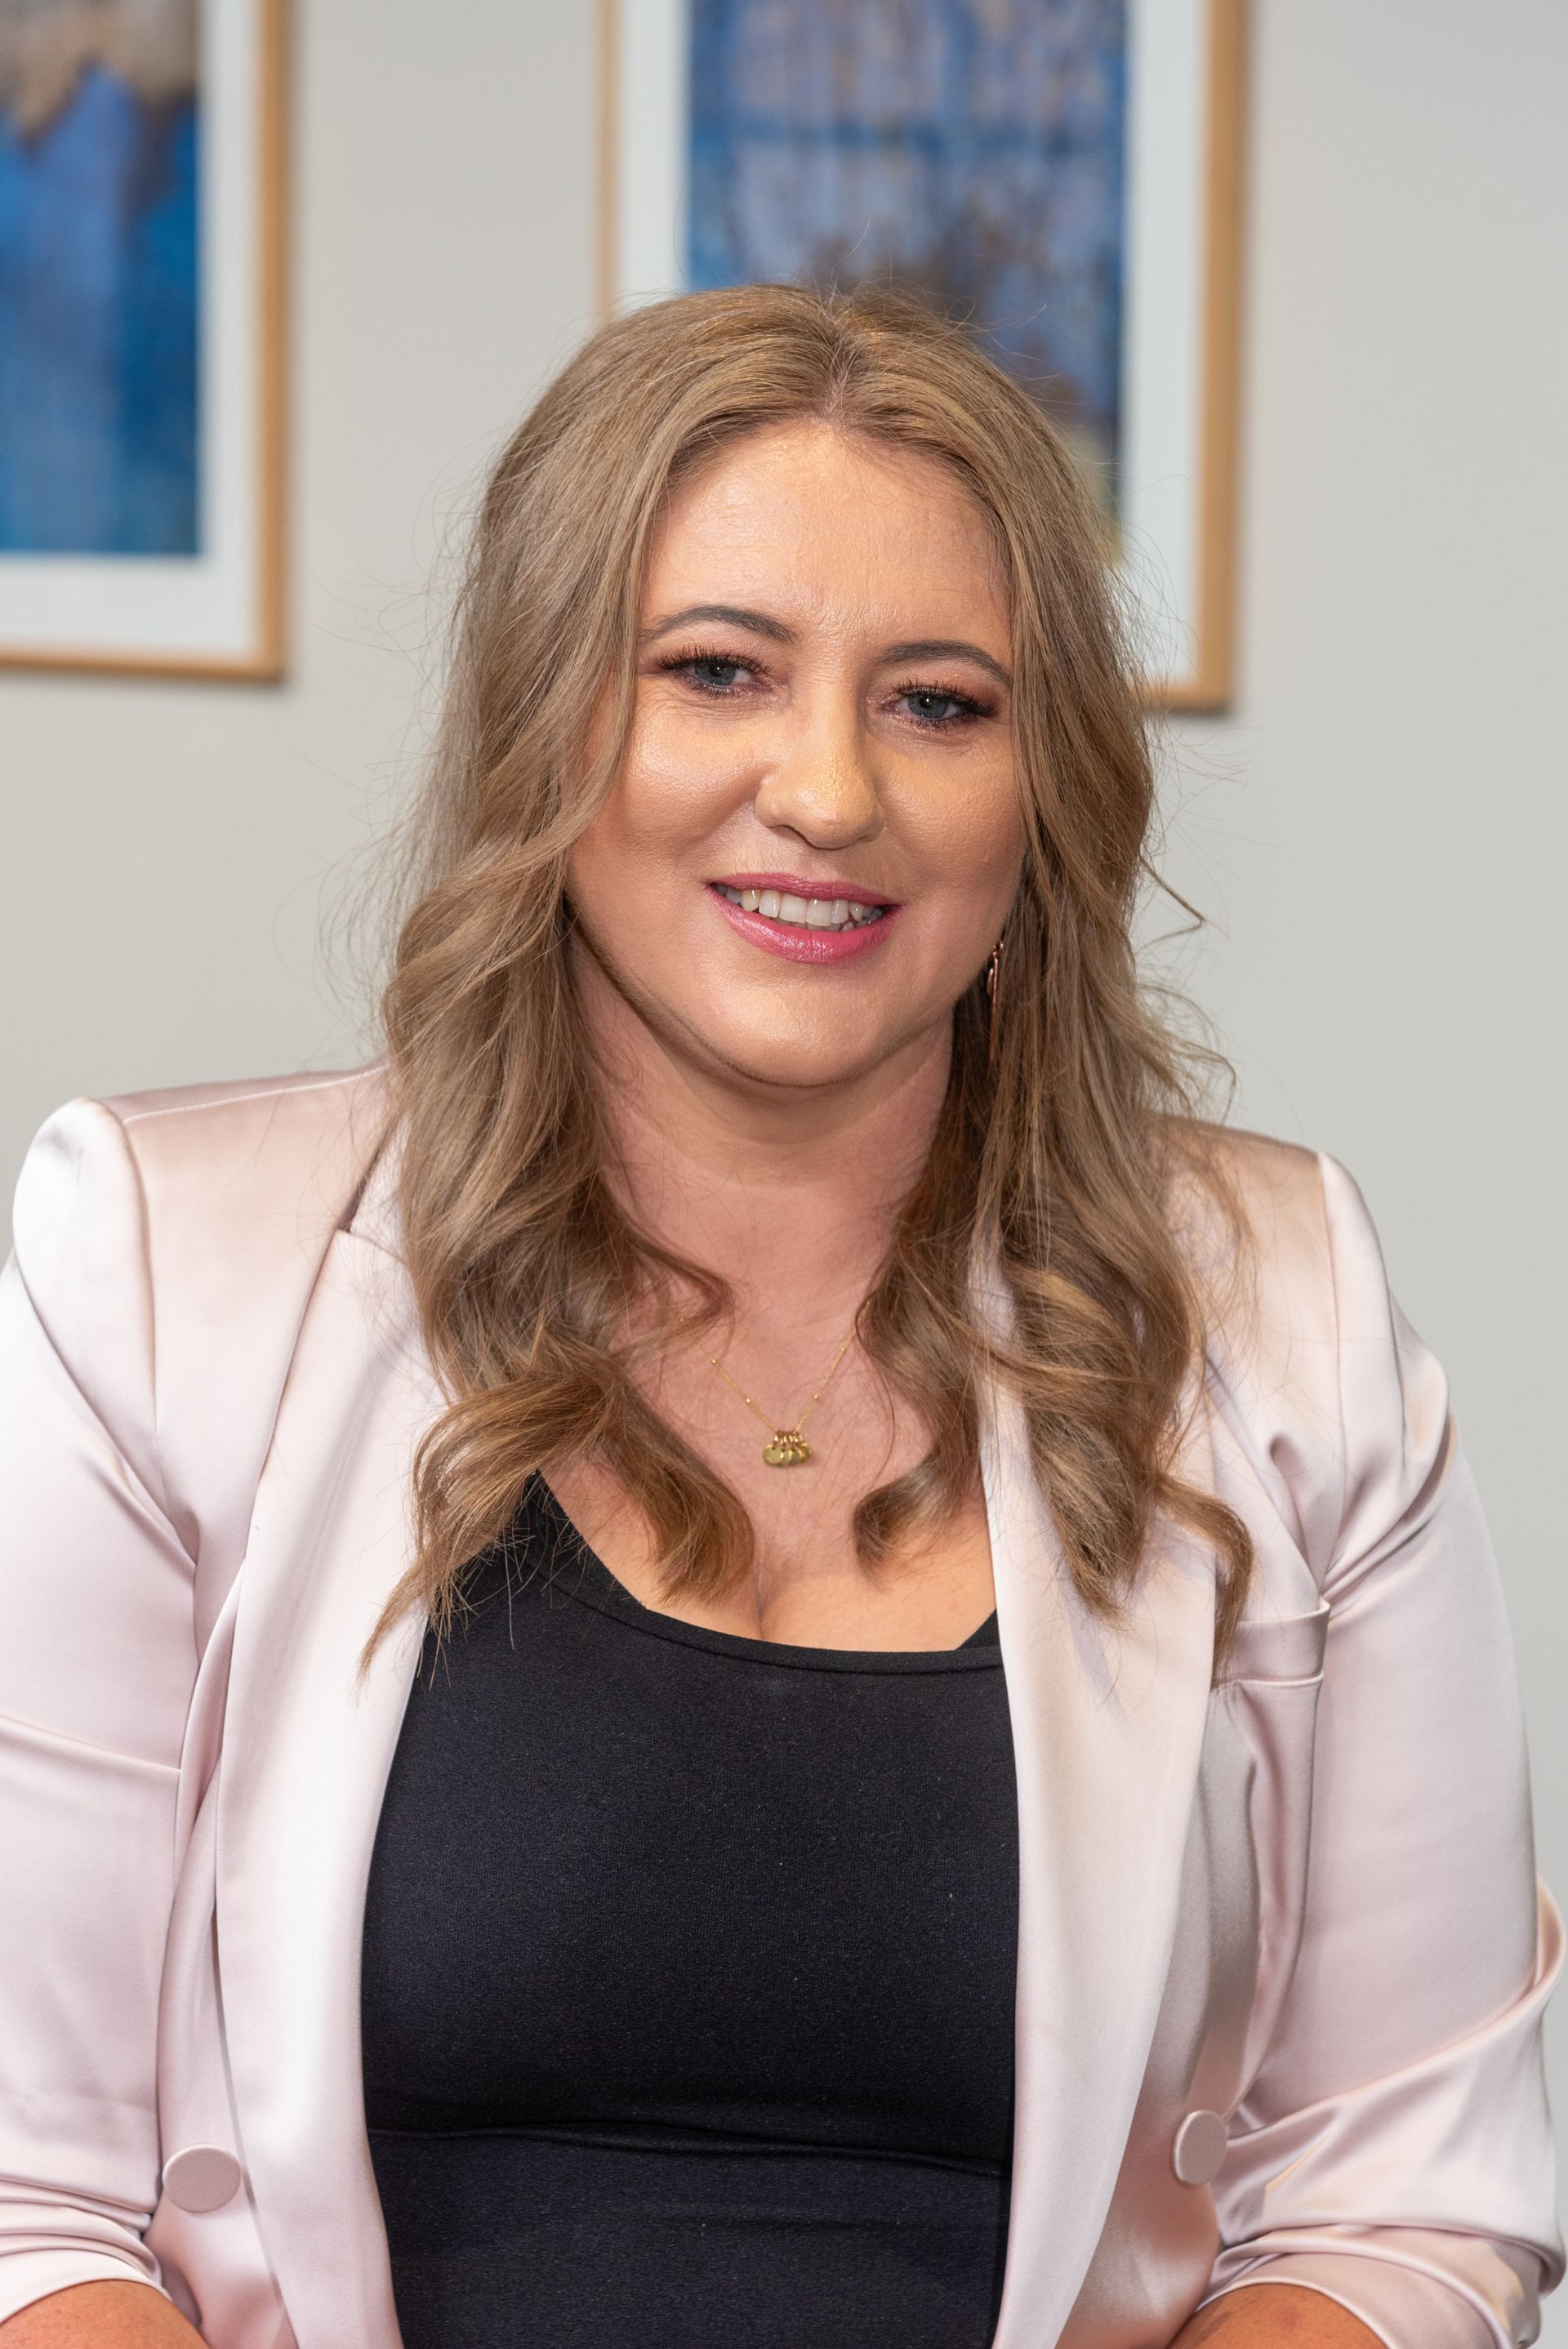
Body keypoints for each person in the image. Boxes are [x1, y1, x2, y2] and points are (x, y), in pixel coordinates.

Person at [0, 283, 1558, 2349]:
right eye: (718, 671)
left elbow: (1405, 2201)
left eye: (938, 702)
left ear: (1047, 789)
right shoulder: (160, 1271)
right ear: (548, 723)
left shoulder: (1290, 1321)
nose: (827, 790)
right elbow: (35, 2195)